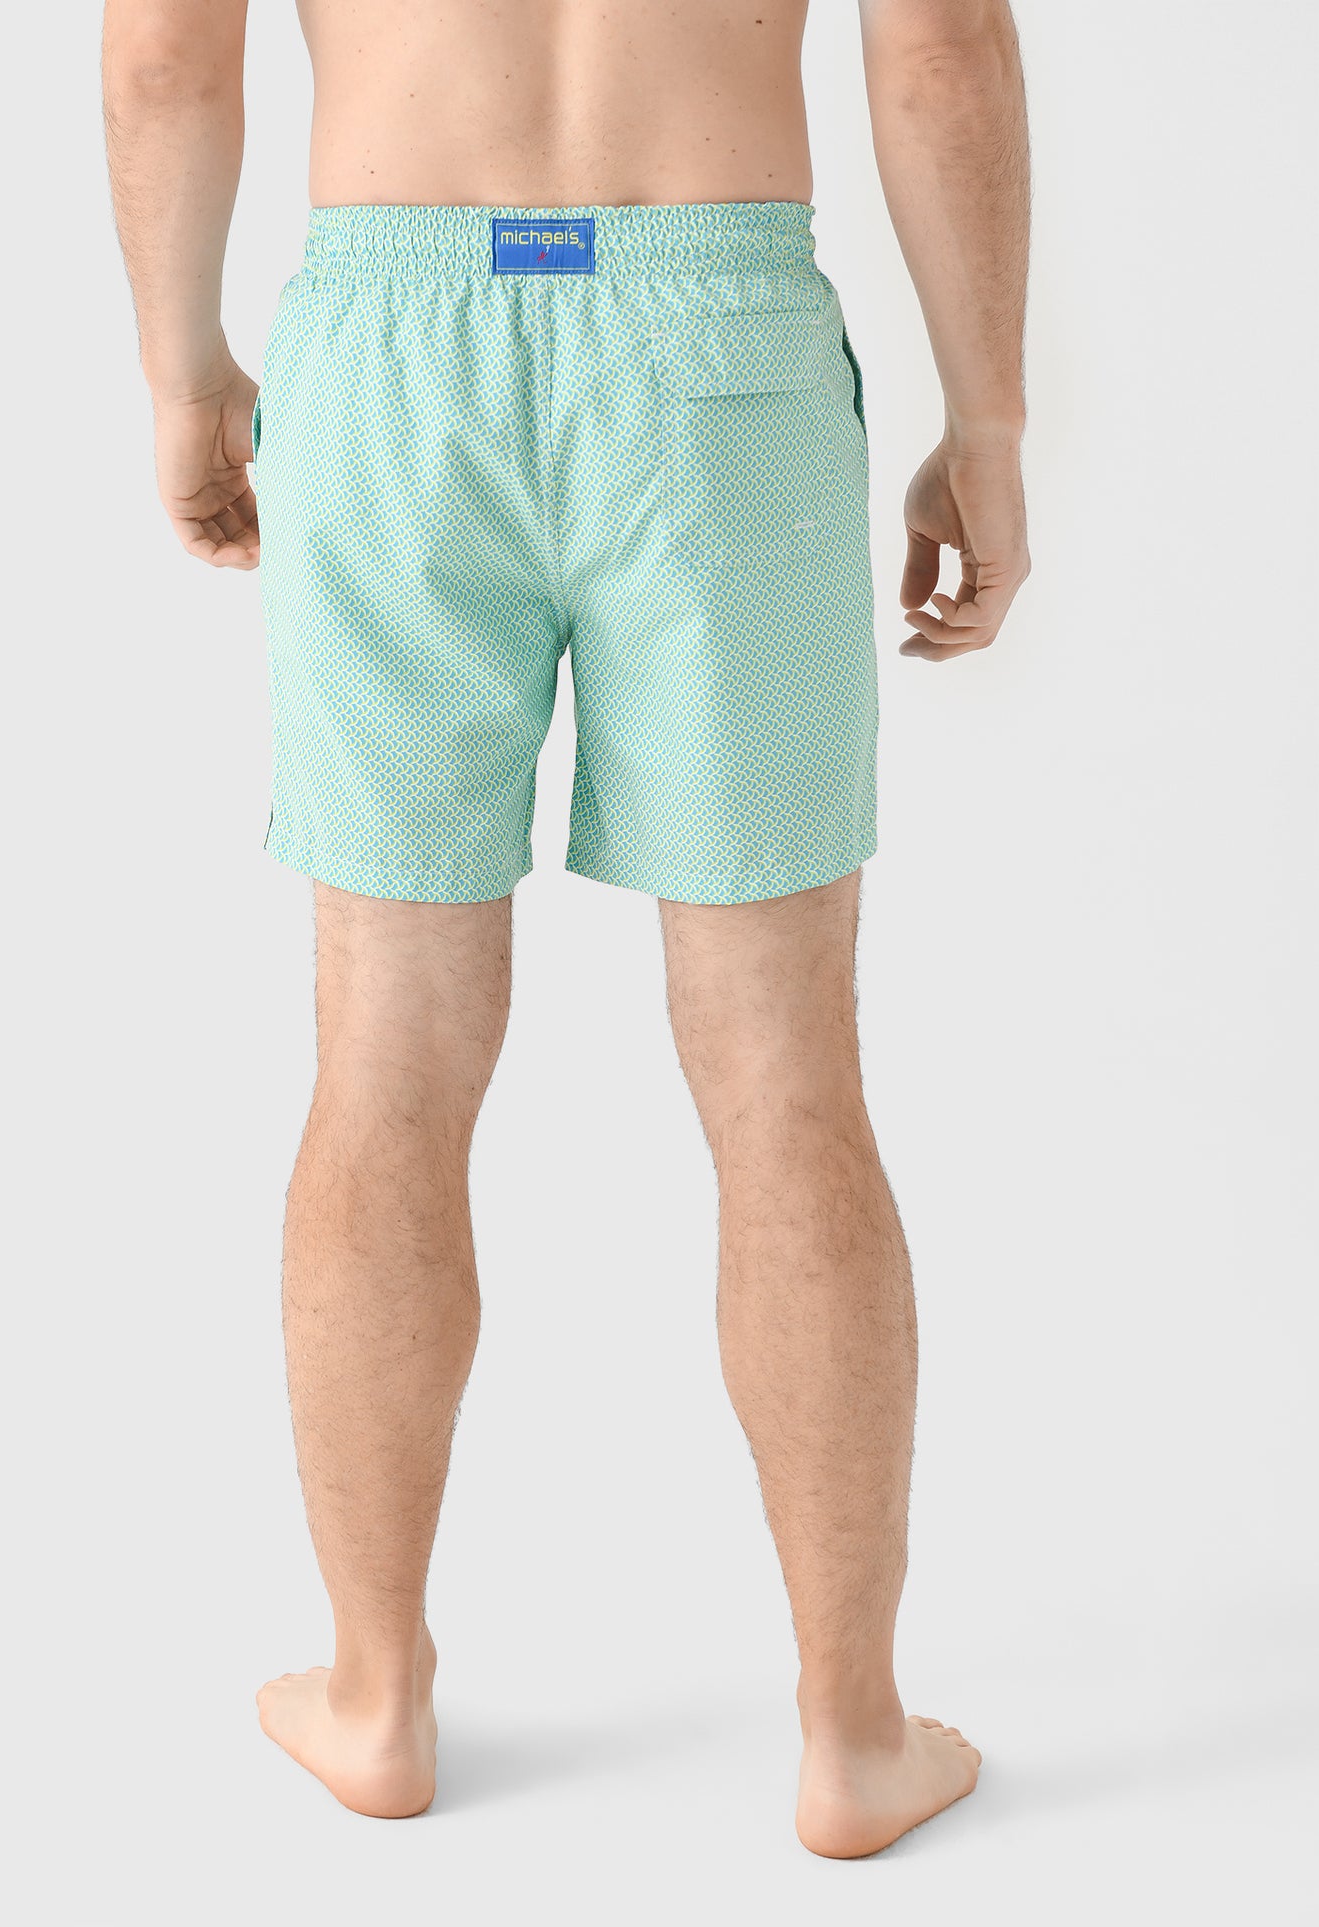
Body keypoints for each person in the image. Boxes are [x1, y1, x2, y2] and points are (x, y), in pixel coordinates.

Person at [102, 0, 1029, 1858]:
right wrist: (986, 419)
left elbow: (162, 60)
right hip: (718, 337)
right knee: (782, 1072)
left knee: (386, 1054)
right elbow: (937, 48)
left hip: (391, 354)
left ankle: (375, 1697)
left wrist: (183, 372)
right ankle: (850, 1736)